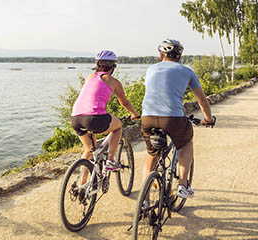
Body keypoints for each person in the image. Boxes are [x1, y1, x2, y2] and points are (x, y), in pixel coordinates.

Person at [140, 39, 214, 198]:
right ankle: (182, 185)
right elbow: (202, 100)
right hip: (172, 119)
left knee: (152, 154)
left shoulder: (151, 69)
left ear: (161, 55)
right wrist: (208, 119)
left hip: (147, 117)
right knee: (186, 142)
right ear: (180, 57)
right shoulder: (187, 71)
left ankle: (144, 200)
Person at [71, 50, 140, 174]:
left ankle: (82, 185)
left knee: (89, 150)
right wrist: (135, 113)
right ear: (113, 67)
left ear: (97, 64)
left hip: (76, 118)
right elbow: (124, 102)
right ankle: (111, 161)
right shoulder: (113, 81)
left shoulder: (90, 77)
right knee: (118, 126)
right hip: (95, 118)